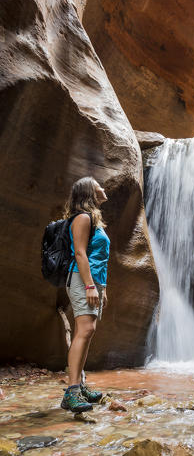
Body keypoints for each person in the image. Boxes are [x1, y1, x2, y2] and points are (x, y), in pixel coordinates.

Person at [60, 177, 110, 413]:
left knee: (88, 331)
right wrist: (90, 286)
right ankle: (71, 392)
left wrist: (103, 286)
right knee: (85, 330)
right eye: (98, 185)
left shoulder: (95, 220)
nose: (103, 187)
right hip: (81, 279)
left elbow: (99, 258)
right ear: (89, 191)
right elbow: (80, 254)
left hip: (94, 281)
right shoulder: (82, 218)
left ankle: (79, 386)